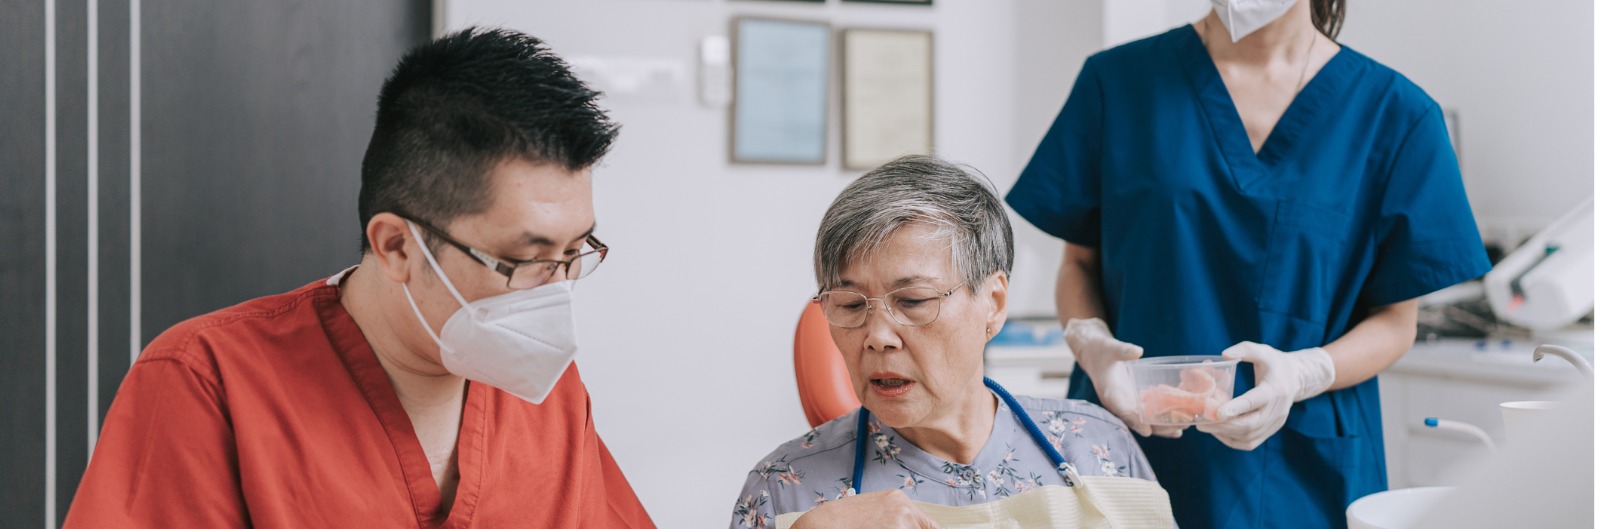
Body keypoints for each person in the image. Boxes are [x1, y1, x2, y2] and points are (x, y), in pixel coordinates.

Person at [64, 28, 655, 528]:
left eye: (575, 252)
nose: (555, 292)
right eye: (527, 260)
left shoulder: (545, 388)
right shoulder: (208, 382)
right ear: (396, 245)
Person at [1005, 0, 1491, 527]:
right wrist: (1091, 341)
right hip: (1128, 453)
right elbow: (1078, 264)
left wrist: (1304, 374)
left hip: (1303, 474)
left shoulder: (1396, 115)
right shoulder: (1118, 83)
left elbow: (1397, 322)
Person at [730, 155, 1164, 529]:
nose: (878, 337)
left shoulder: (1097, 445)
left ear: (992, 303)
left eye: (914, 300)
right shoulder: (786, 488)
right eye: (849, 305)